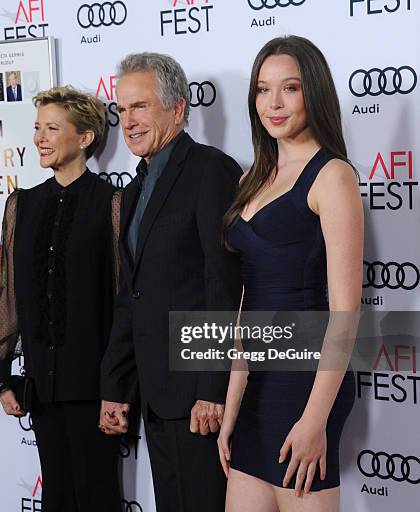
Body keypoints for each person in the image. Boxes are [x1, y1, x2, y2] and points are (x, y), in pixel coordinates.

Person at [217, 36, 362, 511]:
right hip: (256, 383)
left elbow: (345, 312)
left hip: (307, 382)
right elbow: (247, 305)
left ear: (313, 92)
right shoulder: (250, 178)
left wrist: (315, 418)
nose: (273, 104)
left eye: (290, 88)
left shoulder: (332, 176)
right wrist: (232, 405)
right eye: (262, 90)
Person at [99, 53, 243, 512]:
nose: (129, 121)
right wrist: (115, 385)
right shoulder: (136, 187)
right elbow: (132, 295)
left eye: (140, 106)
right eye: (122, 110)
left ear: (178, 109)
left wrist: (211, 388)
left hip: (197, 397)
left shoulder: (210, 171)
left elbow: (222, 284)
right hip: (155, 393)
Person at [0, 86, 121, 512]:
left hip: (95, 386)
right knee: (56, 497)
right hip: (40, 383)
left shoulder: (111, 202)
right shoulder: (21, 205)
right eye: (37, 128)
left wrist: (118, 386)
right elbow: (8, 294)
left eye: (52, 128)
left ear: (84, 138)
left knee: (97, 497)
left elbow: (121, 301)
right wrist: (4, 373)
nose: (40, 137)